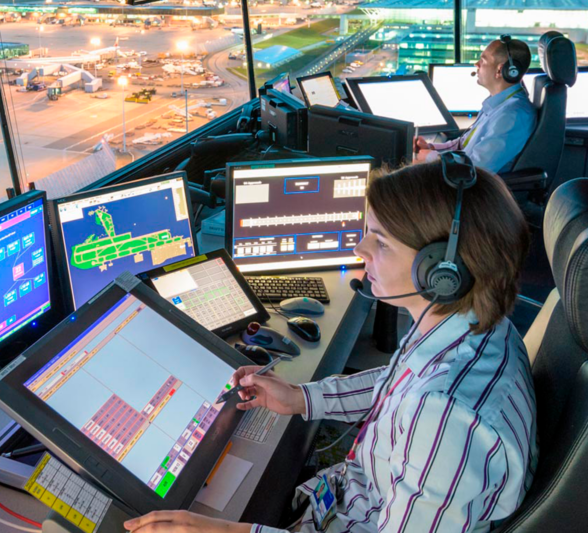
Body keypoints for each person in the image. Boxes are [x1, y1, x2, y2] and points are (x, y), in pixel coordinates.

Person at [124, 159, 536, 533]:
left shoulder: (444, 417)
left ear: (441, 273)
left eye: (381, 241)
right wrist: (303, 397)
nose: (360, 250)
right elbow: (399, 381)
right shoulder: (470, 324)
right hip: (354, 494)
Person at [414, 37, 535, 174]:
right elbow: (463, 144)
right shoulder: (498, 104)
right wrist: (431, 147)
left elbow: (477, 167)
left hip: (474, 190)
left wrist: (430, 157)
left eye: (483, 60)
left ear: (501, 70)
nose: (476, 64)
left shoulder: (513, 115)